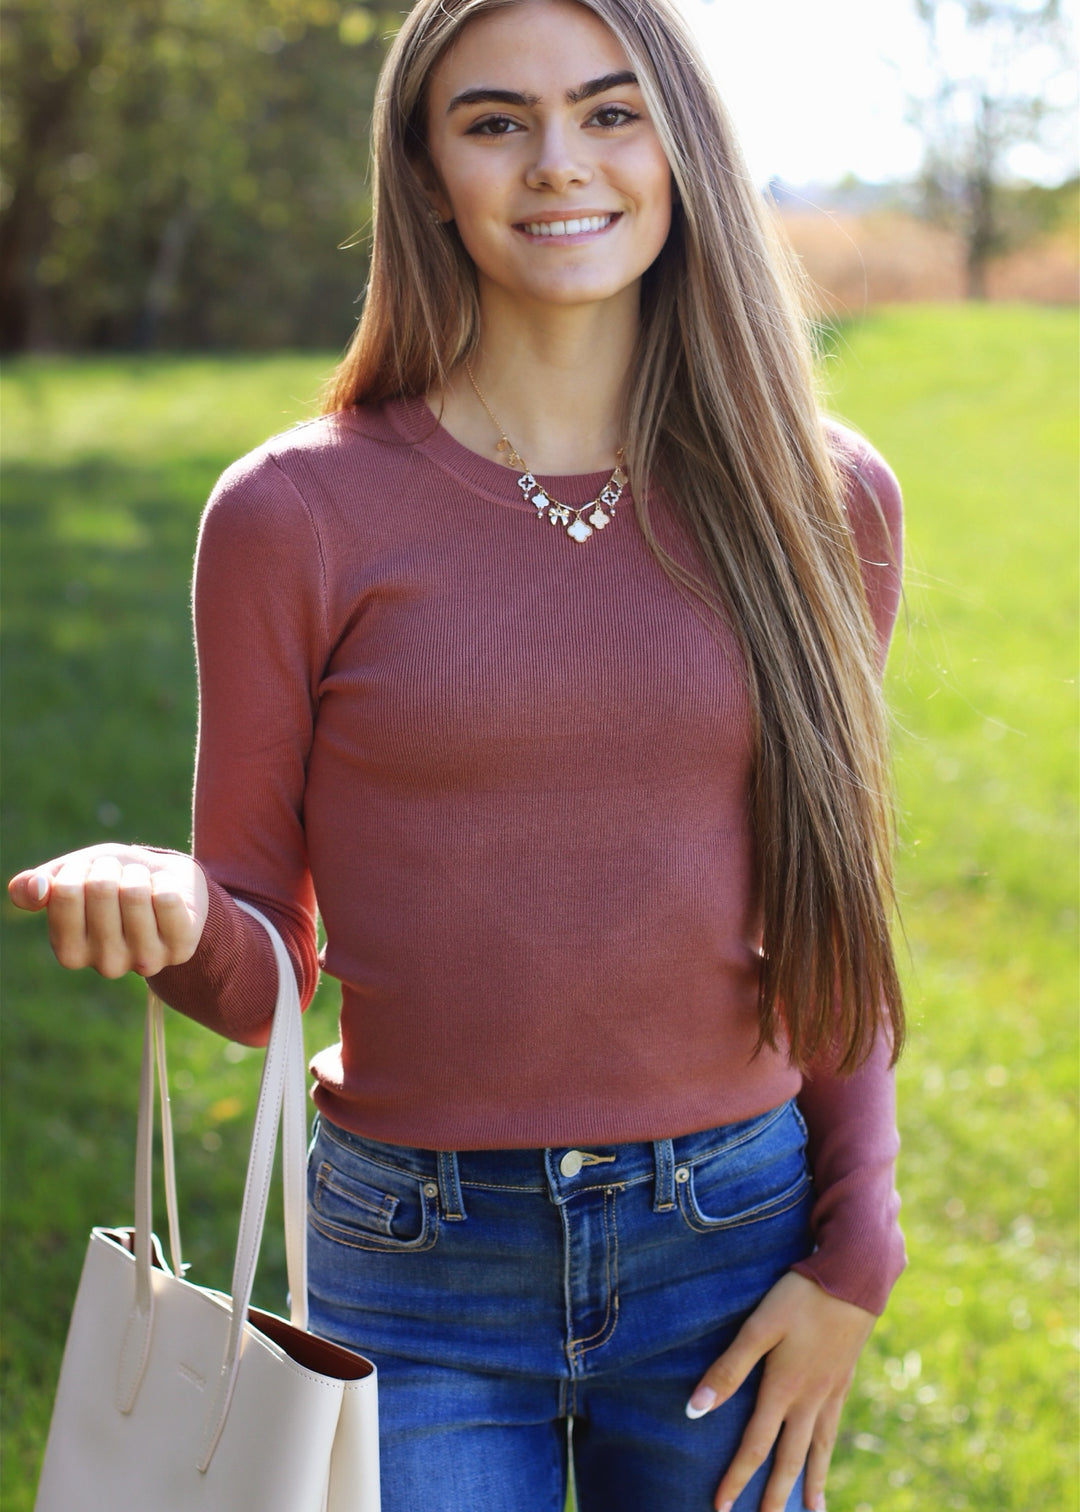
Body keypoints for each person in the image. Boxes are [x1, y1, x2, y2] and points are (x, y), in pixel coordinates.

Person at [9, 0, 908, 1508]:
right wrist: (168, 907)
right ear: (428, 172)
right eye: (497, 121)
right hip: (408, 1270)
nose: (560, 162)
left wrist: (854, 1257)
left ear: (682, 146)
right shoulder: (294, 514)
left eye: (612, 113)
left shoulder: (822, 496)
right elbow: (257, 968)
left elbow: (837, 909)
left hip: (734, 1245)